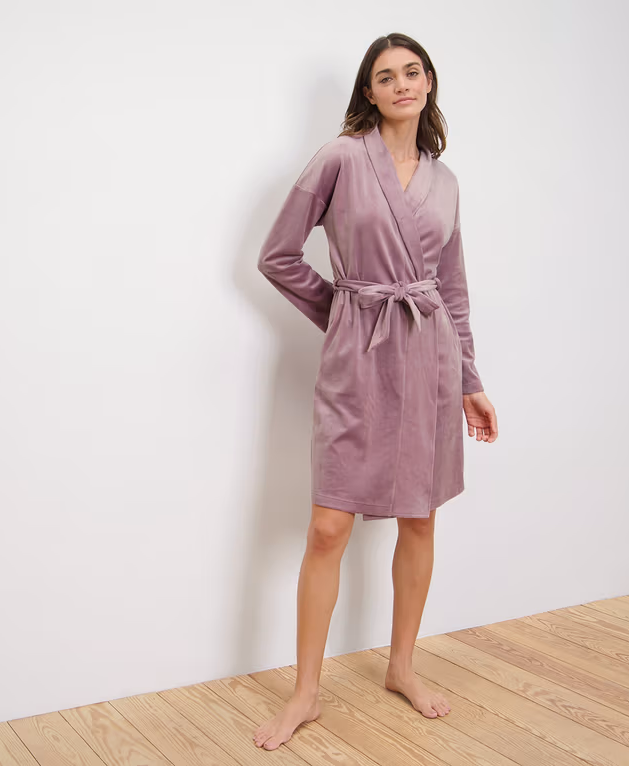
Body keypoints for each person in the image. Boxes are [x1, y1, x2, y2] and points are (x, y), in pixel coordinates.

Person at [253, 32, 498, 751]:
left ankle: (401, 667)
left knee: (419, 520)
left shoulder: (445, 182)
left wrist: (470, 380)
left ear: (429, 82)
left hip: (429, 359)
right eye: (386, 76)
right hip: (356, 362)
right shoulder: (338, 158)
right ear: (369, 91)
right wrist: (343, 314)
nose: (401, 85)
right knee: (329, 527)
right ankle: (305, 692)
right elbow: (277, 255)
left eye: (412, 72)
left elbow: (452, 289)